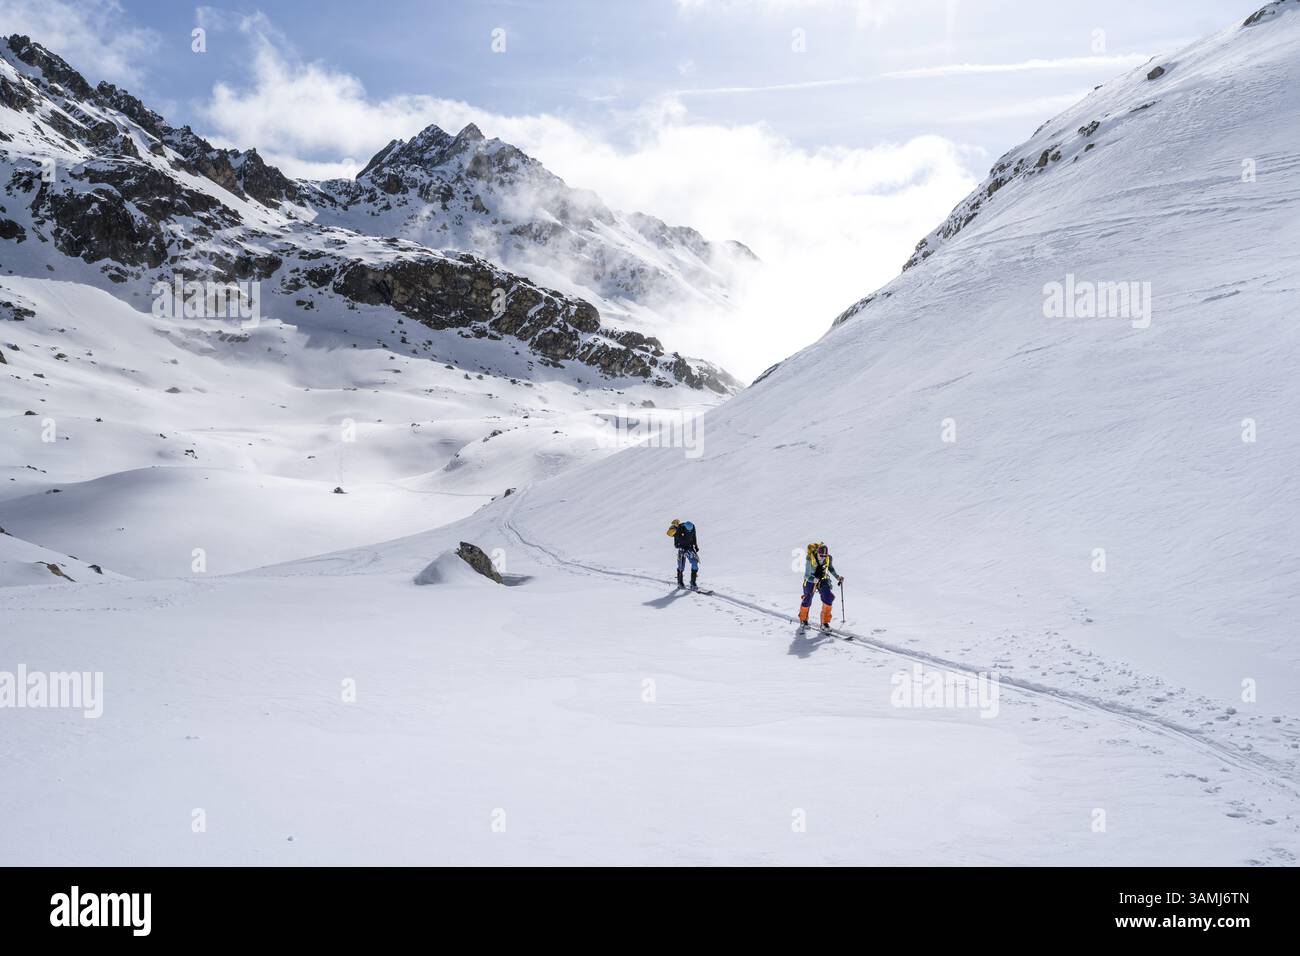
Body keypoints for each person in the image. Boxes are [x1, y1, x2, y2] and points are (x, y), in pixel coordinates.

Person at [799, 541, 843, 630]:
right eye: (821, 555)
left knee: (829, 597)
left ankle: (825, 623)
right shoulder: (810, 559)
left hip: (822, 579)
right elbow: (806, 576)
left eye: (824, 556)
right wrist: (813, 580)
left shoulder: (828, 558)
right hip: (810, 580)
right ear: (817, 553)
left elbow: (830, 568)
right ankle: (803, 620)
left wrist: (837, 577)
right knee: (807, 599)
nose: (823, 558)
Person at [667, 519, 700, 589]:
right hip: (681, 549)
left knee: (695, 563)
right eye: (688, 531)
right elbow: (676, 541)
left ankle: (693, 582)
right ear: (684, 528)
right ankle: (680, 582)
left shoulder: (693, 527)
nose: (689, 532)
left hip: (690, 548)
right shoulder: (679, 528)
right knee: (681, 566)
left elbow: (694, 536)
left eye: (690, 531)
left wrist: (696, 545)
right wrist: (679, 546)